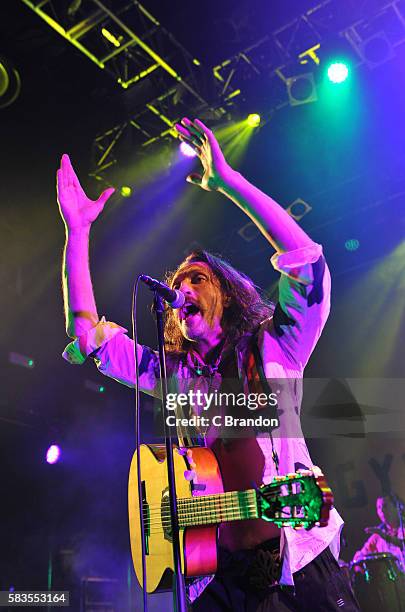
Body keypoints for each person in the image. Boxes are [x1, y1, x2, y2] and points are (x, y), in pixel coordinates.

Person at [57, 118, 359, 610]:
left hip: (295, 562)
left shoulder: (272, 348)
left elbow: (307, 263)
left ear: (226, 291)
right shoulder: (175, 374)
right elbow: (88, 335)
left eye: (197, 279)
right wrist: (78, 231)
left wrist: (228, 183)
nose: (185, 289)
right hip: (217, 574)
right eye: (180, 281)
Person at [353, 495, 405, 571]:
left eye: (385, 506)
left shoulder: (400, 529)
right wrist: (358, 564)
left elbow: (402, 544)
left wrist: (384, 536)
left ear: (397, 508)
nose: (382, 510)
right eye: (379, 508)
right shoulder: (377, 536)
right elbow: (361, 555)